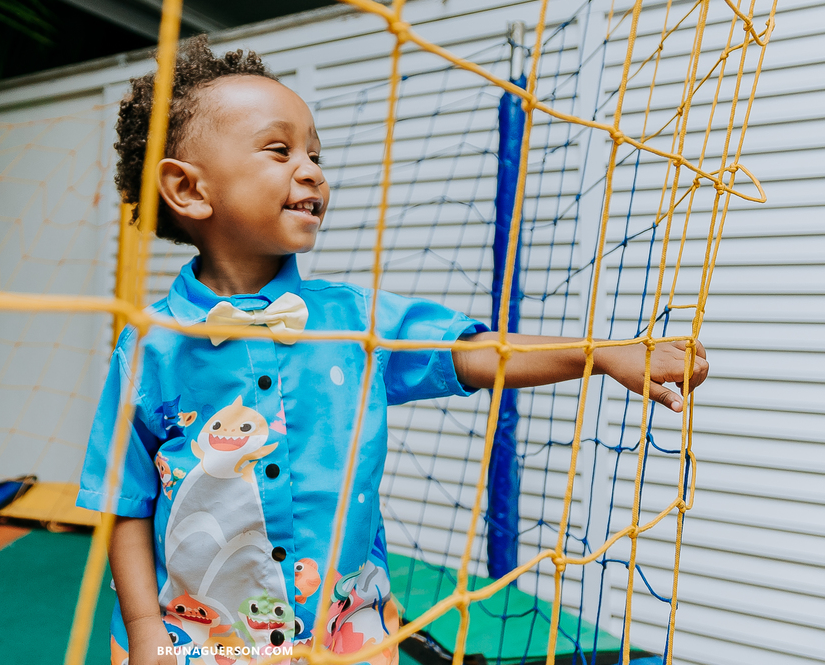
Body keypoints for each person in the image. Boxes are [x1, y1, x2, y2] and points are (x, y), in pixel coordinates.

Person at [76, 38, 708, 665]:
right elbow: (123, 501)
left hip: (345, 631)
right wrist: (143, 630)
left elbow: (477, 353)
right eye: (279, 150)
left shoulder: (358, 319)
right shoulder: (150, 347)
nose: (312, 170)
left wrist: (600, 354)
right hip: (196, 640)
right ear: (188, 190)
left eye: (314, 153)